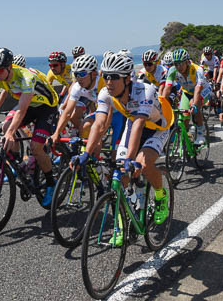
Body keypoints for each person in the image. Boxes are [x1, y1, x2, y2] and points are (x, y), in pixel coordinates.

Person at [71, 52, 173, 246]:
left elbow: (139, 125)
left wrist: (130, 159)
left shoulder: (145, 91)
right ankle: (121, 223)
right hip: (133, 124)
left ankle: (160, 195)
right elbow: (99, 124)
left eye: (114, 77)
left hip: (157, 128)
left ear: (127, 78)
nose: (109, 81)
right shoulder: (105, 93)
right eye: (106, 76)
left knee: (143, 163)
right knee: (119, 178)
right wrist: (86, 154)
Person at [0, 48, 60, 208]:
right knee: (5, 126)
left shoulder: (26, 78)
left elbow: (22, 110)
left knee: (36, 148)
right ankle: (19, 165)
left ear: (10, 67)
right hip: (30, 105)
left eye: (0, 70)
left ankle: (52, 183)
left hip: (46, 107)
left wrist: (10, 133)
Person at [162, 48, 211, 146]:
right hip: (187, 92)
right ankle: (186, 140)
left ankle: (201, 133)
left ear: (187, 62)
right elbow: (167, 88)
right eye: (176, 64)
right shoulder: (172, 71)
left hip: (203, 90)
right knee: (183, 117)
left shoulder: (197, 70)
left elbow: (198, 89)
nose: (178, 66)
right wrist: (162, 103)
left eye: (181, 63)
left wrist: (194, 105)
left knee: (194, 104)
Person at [51, 54, 103, 145]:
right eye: (76, 74)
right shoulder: (77, 87)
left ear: (94, 74)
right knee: (85, 128)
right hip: (102, 111)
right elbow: (67, 112)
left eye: (82, 74)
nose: (79, 78)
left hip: (117, 112)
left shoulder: (103, 84)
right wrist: (56, 133)